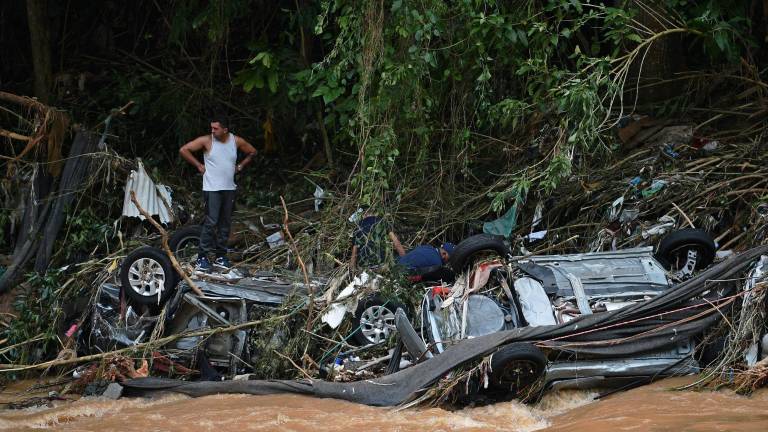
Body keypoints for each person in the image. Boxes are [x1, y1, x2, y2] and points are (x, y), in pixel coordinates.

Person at [179, 116, 257, 271]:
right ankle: (202, 257)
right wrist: (199, 165)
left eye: (216, 128)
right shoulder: (207, 141)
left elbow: (253, 151)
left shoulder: (235, 141)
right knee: (211, 222)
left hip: (229, 188)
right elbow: (184, 150)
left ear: (225, 130)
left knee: (225, 223)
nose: (212, 131)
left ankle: (221, 256)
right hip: (212, 188)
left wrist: (240, 166)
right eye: (211, 128)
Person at [390, 232, 455, 272]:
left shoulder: (427, 247)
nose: (448, 262)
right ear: (444, 254)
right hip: (402, 274)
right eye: (449, 259)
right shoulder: (437, 263)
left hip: (394, 265)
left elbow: (407, 257)